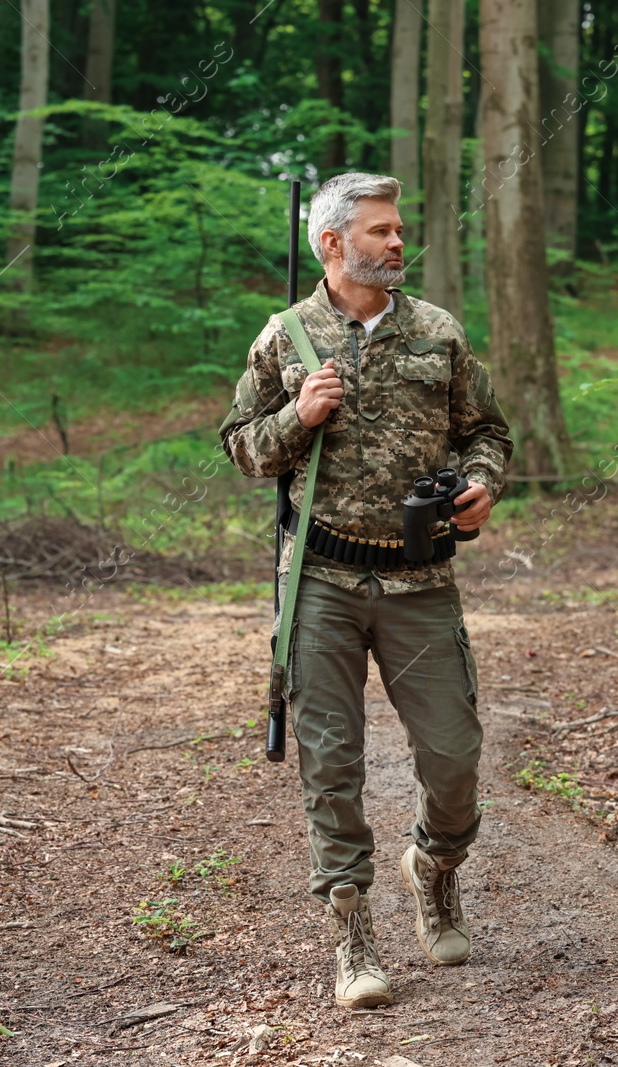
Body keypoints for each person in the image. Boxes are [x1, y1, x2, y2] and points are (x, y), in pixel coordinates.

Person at [217, 172, 513, 1008]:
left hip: (422, 579)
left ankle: (437, 863)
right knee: (331, 764)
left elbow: (486, 430)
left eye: (400, 229)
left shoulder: (437, 332)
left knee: (454, 755)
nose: (397, 242)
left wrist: (482, 484)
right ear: (332, 244)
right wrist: (297, 418)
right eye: (380, 230)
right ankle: (353, 931)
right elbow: (241, 447)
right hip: (320, 580)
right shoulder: (285, 337)